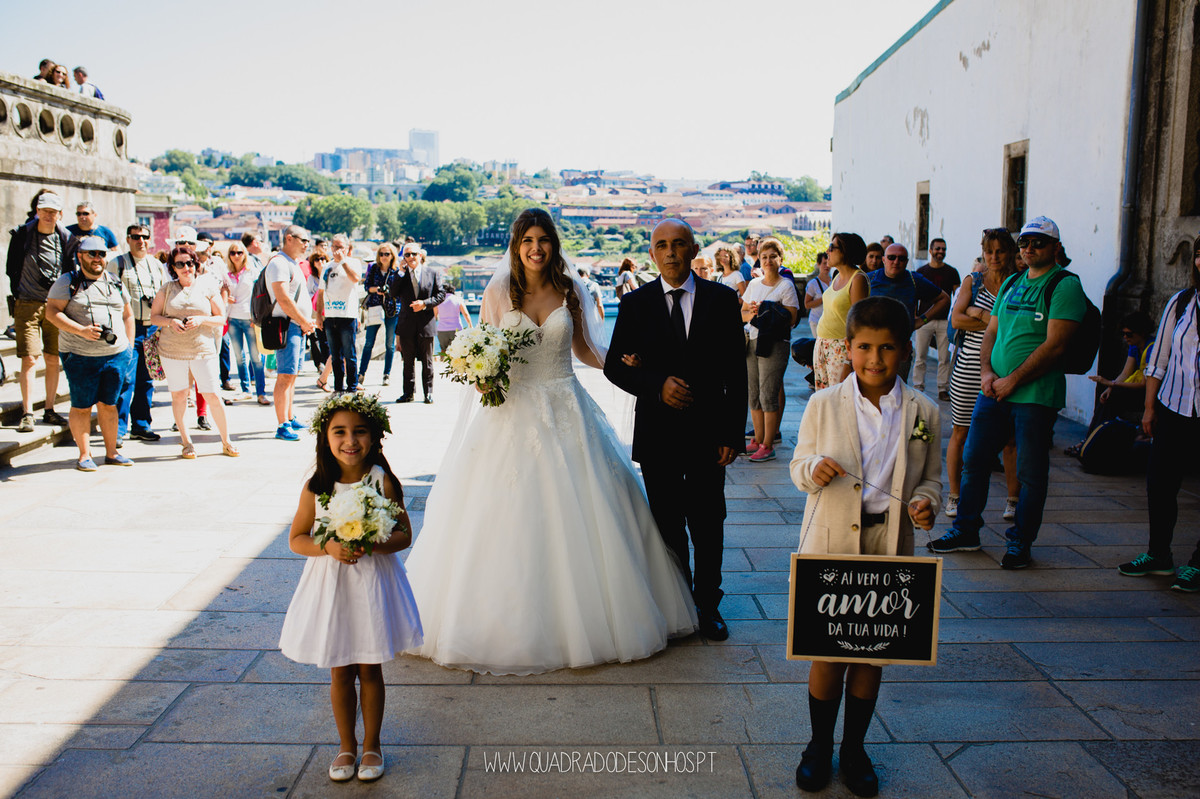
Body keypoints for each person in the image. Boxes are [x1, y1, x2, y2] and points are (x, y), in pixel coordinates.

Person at [404, 209, 698, 674]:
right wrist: (480, 375)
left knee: (590, 510)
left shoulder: (570, 289)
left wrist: (630, 368)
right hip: (511, 412)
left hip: (566, 408)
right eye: (527, 240)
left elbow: (586, 349)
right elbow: (483, 346)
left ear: (553, 244)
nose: (536, 248)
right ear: (516, 246)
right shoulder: (499, 291)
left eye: (543, 239)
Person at [789, 295, 941, 798]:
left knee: (872, 652)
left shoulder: (924, 412)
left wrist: (923, 503)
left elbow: (931, 481)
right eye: (865, 348)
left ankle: (854, 748)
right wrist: (814, 469)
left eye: (887, 349)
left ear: (904, 352)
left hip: (889, 542)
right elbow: (798, 467)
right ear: (848, 348)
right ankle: (818, 745)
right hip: (832, 540)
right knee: (828, 650)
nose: (875, 360)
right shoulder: (823, 403)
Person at [606, 217, 747, 641]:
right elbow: (614, 365)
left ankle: (708, 604)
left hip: (709, 434)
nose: (670, 252)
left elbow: (736, 374)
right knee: (667, 522)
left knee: (708, 520)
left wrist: (732, 435)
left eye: (679, 244)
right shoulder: (635, 304)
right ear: (652, 254)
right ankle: (679, 600)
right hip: (658, 434)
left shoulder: (722, 300)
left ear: (693, 250)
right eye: (662, 245)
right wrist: (654, 384)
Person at [928, 216, 1087, 569]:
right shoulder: (1014, 281)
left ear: (1055, 247)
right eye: (1026, 243)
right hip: (994, 390)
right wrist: (987, 372)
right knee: (974, 460)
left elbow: (1056, 345)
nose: (1030, 248)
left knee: (1030, 473)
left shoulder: (1064, 285)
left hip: (1033, 395)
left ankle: (1020, 541)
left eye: (1039, 243)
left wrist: (1012, 380)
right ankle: (966, 530)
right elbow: (991, 333)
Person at [278, 394, 422, 783]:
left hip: (372, 585)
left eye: (359, 431)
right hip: (332, 587)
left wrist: (373, 541)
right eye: (339, 432)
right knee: (340, 670)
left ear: (375, 436)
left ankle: (373, 744)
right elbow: (296, 538)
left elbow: (404, 533)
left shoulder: (382, 480)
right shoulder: (318, 485)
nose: (350, 440)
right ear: (325, 437)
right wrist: (325, 545)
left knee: (370, 667)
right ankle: (346, 745)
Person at [1118, 236, 1200, 592]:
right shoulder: (1181, 303)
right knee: (1160, 484)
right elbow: (1159, 360)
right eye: (1199, 255)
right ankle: (1159, 554)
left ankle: (1198, 563)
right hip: (1173, 406)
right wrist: (1149, 408)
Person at [946, 228, 1021, 521]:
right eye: (988, 251)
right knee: (960, 432)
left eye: (1000, 251)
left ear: (1010, 252)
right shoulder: (973, 280)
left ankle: (1013, 499)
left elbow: (1015, 327)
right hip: (968, 368)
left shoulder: (1019, 283)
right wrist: (989, 321)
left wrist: (979, 315)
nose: (994, 257)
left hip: (1004, 367)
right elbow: (956, 318)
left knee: (1009, 440)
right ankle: (954, 496)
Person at [45, 237, 136, 471]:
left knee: (109, 404)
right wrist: (81, 331)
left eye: (102, 254)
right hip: (79, 355)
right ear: (80, 256)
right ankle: (84, 455)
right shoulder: (68, 282)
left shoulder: (115, 282)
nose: (97, 258)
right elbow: (52, 312)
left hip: (115, 355)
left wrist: (128, 345)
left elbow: (127, 315)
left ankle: (112, 453)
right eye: (92, 253)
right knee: (82, 406)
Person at [150, 246, 238, 459]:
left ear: (196, 264)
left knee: (213, 395)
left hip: (202, 349)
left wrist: (201, 320)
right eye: (180, 264)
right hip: (173, 351)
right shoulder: (167, 289)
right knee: (179, 395)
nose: (186, 267)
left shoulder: (206, 287)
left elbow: (221, 317)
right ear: (173, 267)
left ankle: (226, 441)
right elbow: (154, 317)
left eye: (189, 263)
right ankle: (186, 442)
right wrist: (171, 322)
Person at [7, 190, 76, 433]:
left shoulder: (66, 238)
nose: (48, 215)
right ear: (37, 211)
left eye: (53, 212)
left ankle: (49, 409)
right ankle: (27, 413)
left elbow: (71, 271)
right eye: (44, 210)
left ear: (60, 214)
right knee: (29, 358)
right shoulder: (23, 235)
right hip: (27, 302)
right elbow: (11, 267)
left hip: (55, 304)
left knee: (52, 358)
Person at [742, 237, 800, 463]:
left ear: (780, 259)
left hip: (774, 344)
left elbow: (792, 318)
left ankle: (768, 444)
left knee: (768, 394)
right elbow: (743, 313)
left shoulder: (785, 285)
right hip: (753, 340)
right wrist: (754, 313)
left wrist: (768, 309)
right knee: (754, 394)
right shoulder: (754, 285)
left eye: (772, 257)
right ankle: (757, 439)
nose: (767, 261)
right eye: (763, 257)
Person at [1066, 309, 1155, 451]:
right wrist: (1110, 387)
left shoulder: (1152, 349)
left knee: (1112, 400)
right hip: (1136, 387)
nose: (1126, 338)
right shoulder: (1134, 345)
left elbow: (1145, 384)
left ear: (1142, 333)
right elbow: (1126, 372)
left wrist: (1112, 384)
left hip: (1147, 392)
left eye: (1129, 334)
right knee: (1106, 398)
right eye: (1124, 334)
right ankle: (1090, 440)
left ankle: (1091, 442)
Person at [110, 224, 166, 442]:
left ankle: (141, 425)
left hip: (151, 328)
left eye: (144, 237)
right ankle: (118, 429)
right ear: (128, 239)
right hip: (128, 328)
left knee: (147, 380)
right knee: (125, 380)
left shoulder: (156, 265)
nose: (140, 241)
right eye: (135, 237)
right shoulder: (118, 263)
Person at [866, 243, 950, 381]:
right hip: (872, 346)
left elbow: (944, 299)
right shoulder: (869, 279)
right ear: (884, 259)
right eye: (892, 257)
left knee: (896, 393)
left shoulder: (914, 280)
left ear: (907, 261)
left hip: (900, 349)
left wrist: (922, 320)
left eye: (901, 258)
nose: (896, 262)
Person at [267, 226, 316, 440]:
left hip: (296, 324)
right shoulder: (279, 263)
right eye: (304, 239)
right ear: (289, 238)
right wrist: (303, 320)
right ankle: (282, 424)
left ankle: (289, 416)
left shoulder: (291, 263)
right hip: (288, 324)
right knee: (285, 375)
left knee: (292, 375)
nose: (307, 244)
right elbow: (283, 298)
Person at [389, 243, 444, 404]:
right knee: (408, 362)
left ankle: (428, 393)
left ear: (420, 255)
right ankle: (408, 393)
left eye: (413, 254)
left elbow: (441, 294)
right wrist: (400, 272)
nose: (411, 257)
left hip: (426, 323)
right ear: (403, 258)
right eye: (407, 255)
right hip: (406, 324)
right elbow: (392, 292)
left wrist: (425, 303)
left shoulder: (432, 273)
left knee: (427, 362)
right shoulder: (400, 275)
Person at [813, 233, 869, 389]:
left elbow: (860, 323)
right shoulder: (836, 277)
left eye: (832, 247)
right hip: (823, 345)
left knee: (838, 399)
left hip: (840, 349)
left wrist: (848, 360)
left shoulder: (857, 280)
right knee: (824, 400)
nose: (827, 251)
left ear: (845, 251)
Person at [221, 240, 270, 405]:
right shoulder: (226, 274)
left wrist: (258, 316)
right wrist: (226, 299)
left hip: (250, 319)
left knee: (256, 357)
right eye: (232, 253)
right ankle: (245, 390)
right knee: (239, 357)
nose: (236, 256)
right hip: (233, 318)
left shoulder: (252, 272)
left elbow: (261, 295)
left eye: (239, 252)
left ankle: (261, 392)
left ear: (245, 254)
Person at [914, 238, 962, 400]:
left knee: (944, 358)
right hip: (924, 320)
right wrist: (915, 315)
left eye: (943, 249)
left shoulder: (952, 272)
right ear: (930, 250)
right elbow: (915, 297)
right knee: (920, 356)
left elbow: (958, 296)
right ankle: (918, 387)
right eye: (938, 249)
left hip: (944, 321)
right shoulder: (921, 272)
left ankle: (943, 388)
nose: (941, 252)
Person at [318, 235, 363, 394]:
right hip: (330, 315)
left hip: (347, 315)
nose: (337, 250)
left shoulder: (353, 263)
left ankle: (352, 387)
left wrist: (343, 261)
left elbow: (355, 278)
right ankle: (338, 388)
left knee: (349, 354)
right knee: (335, 355)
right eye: (334, 247)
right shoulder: (327, 267)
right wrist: (319, 315)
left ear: (347, 248)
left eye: (341, 247)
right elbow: (321, 292)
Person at [358, 243, 401, 386]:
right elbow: (366, 286)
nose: (383, 257)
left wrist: (389, 292)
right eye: (381, 254)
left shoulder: (396, 272)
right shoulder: (374, 269)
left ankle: (386, 374)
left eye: (387, 254)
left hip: (391, 310)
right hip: (375, 308)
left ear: (392, 255)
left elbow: (400, 291)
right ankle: (361, 373)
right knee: (369, 342)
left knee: (390, 344)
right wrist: (376, 289)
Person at [435, 285, 473, 353]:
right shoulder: (458, 299)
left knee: (443, 350)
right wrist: (470, 325)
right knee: (456, 352)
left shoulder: (439, 301)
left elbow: (434, 315)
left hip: (442, 330)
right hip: (456, 329)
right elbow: (466, 314)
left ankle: (441, 363)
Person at [804, 252, 832, 332]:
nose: (827, 266)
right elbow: (807, 304)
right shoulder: (813, 283)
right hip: (817, 320)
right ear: (818, 264)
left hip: (830, 321)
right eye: (824, 263)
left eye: (828, 263)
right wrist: (823, 298)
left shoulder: (835, 281)